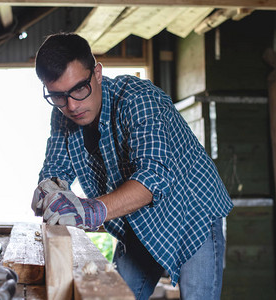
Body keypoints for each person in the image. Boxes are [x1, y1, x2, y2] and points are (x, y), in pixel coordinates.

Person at [31, 32, 233, 300]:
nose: (72, 105)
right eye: (58, 96)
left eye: (80, 89)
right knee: (115, 294)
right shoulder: (62, 115)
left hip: (191, 212)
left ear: (98, 73)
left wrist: (90, 211)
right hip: (136, 220)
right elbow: (55, 169)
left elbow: (152, 179)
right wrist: (50, 190)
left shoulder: (138, 99)